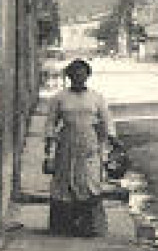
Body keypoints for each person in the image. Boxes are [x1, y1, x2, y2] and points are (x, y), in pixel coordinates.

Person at [44, 59, 120, 236]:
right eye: (75, 74)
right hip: (66, 143)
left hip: (89, 143)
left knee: (88, 181)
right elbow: (51, 123)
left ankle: (89, 226)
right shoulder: (59, 98)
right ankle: (63, 226)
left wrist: (112, 139)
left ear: (87, 76)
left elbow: (106, 119)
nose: (78, 78)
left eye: (82, 74)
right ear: (69, 76)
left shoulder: (96, 97)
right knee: (65, 181)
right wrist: (49, 146)